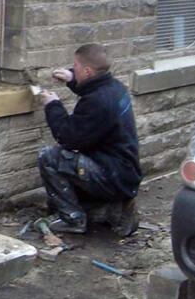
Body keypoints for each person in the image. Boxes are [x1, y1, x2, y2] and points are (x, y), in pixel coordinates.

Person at [37, 43, 142, 236]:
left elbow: (68, 138)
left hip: (111, 174)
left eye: (75, 66)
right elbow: (93, 91)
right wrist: (71, 79)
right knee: (75, 161)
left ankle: (73, 218)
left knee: (50, 157)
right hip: (123, 171)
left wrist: (53, 105)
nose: (72, 68)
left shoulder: (98, 102)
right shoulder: (114, 87)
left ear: (87, 71)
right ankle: (112, 209)